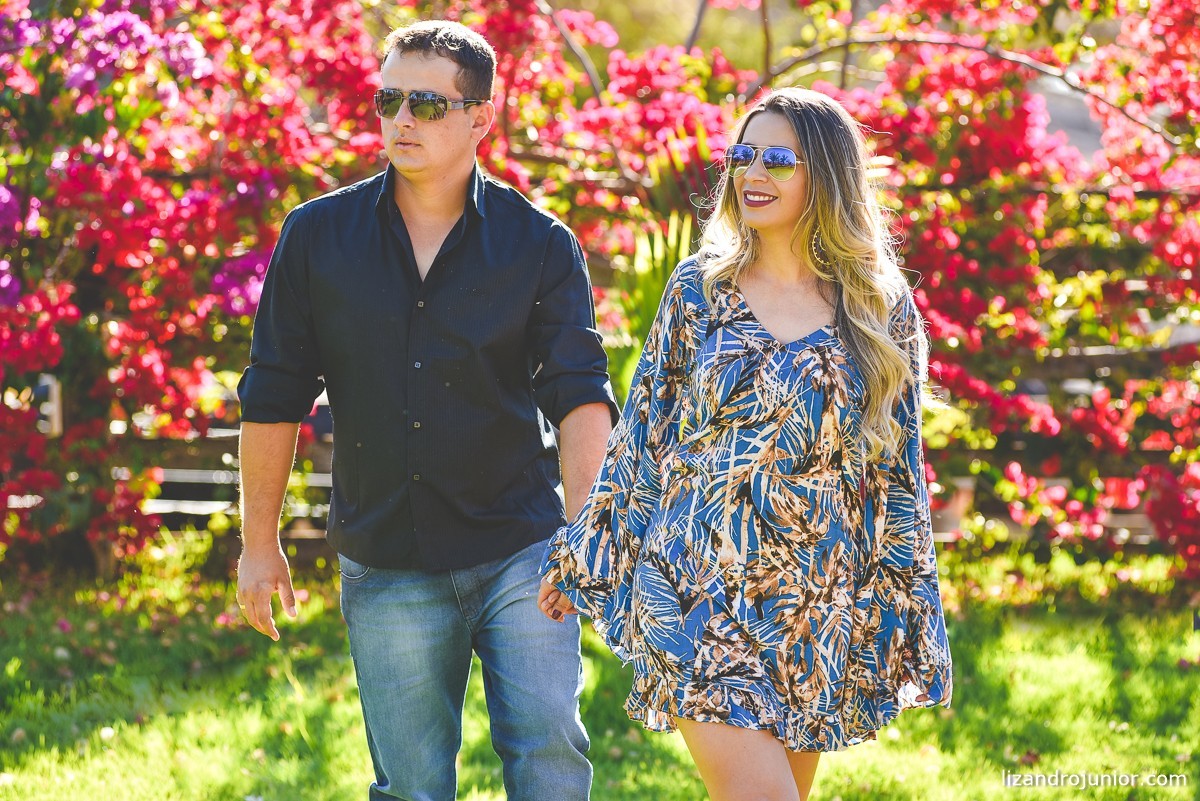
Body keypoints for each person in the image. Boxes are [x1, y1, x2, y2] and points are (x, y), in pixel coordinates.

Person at [236, 20, 617, 801]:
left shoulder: (539, 244)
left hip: (522, 549)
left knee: (550, 751)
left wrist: (585, 536)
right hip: (386, 558)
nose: (401, 119)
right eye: (387, 100)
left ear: (481, 117)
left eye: (426, 104)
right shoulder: (316, 238)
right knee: (410, 786)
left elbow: (579, 389)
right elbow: (274, 394)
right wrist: (258, 543)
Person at [539, 87, 954, 801]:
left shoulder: (876, 306)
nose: (751, 172)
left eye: (777, 159)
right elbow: (644, 436)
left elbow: (897, 476)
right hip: (698, 581)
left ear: (825, 174)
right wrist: (588, 553)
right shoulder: (700, 290)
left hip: (816, 600)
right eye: (742, 154)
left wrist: (911, 609)